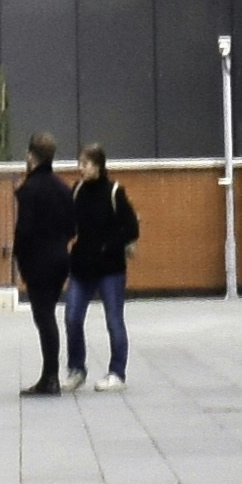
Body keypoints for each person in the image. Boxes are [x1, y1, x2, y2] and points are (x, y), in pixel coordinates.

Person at [8, 136, 78, 394]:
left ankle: (50, 377)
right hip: (59, 258)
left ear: (31, 156)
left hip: (37, 261)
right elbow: (73, 227)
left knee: (44, 317)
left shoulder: (30, 189)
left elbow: (24, 230)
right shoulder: (63, 188)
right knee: (48, 315)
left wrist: (19, 258)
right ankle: (49, 375)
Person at [68, 146, 142, 383]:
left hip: (110, 269)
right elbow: (70, 224)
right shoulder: (77, 191)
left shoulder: (114, 192)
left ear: (99, 166)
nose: (81, 168)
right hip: (81, 267)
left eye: (86, 163)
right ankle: (76, 369)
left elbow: (131, 228)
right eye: (80, 163)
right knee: (72, 317)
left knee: (113, 320)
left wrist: (108, 245)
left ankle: (117, 372)